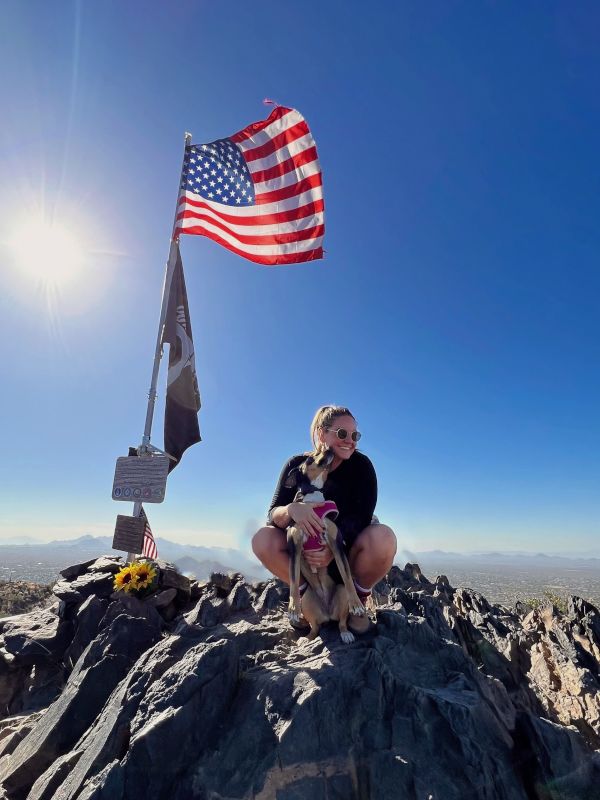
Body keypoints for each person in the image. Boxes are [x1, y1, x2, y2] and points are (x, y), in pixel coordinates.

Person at [252, 405, 397, 632]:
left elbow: (362, 518)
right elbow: (272, 514)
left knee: (384, 537)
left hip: (345, 556)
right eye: (342, 433)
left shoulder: (361, 466)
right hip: (308, 566)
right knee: (262, 538)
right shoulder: (297, 465)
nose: (350, 440)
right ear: (321, 433)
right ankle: (304, 601)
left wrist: (332, 546)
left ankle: (355, 603)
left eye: (355, 435)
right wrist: (291, 509)